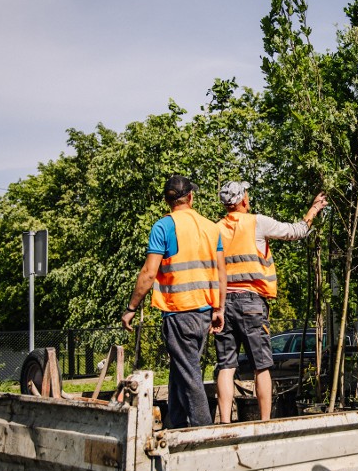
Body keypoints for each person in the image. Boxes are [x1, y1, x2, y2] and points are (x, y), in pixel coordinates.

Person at [214, 181, 328, 422]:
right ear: (243, 200)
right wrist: (313, 210)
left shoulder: (215, 229)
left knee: (226, 366)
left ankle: (224, 423)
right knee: (261, 365)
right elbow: (295, 231)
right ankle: (264, 422)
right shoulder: (256, 222)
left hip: (223, 304)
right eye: (246, 193)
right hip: (251, 303)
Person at [121, 174, 226, 428]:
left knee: (189, 375)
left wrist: (131, 308)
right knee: (181, 370)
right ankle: (175, 425)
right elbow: (222, 272)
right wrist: (219, 308)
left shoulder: (164, 227)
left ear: (168, 201)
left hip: (179, 312)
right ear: (190, 197)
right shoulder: (212, 228)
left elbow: (148, 273)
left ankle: (204, 432)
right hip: (203, 312)